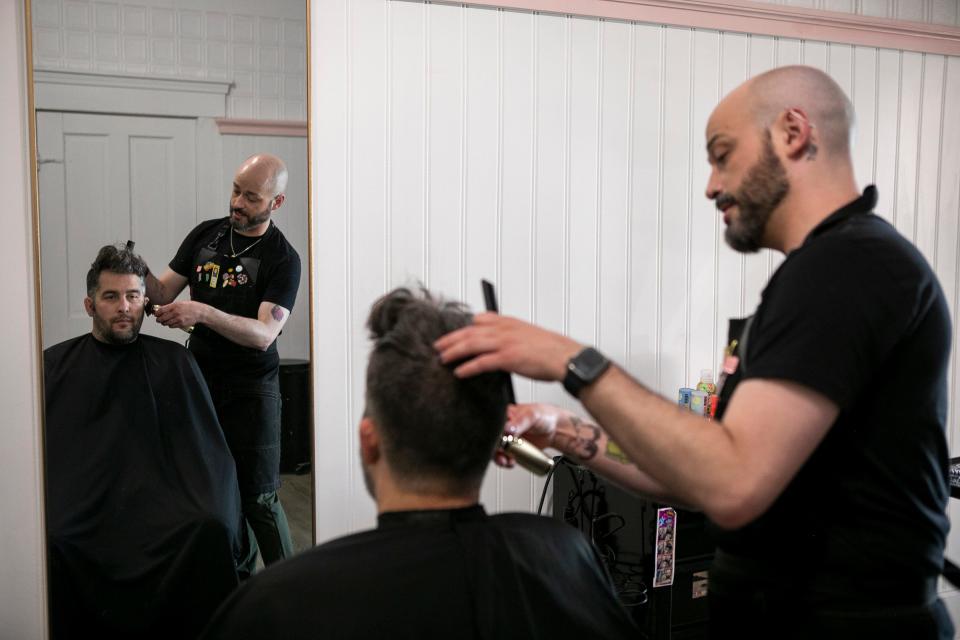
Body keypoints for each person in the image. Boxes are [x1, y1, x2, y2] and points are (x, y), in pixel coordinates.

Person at [435, 65, 954, 638]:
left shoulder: (847, 267)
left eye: (723, 154)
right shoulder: (822, 273)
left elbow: (730, 486)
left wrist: (573, 362)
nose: (711, 184)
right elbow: (700, 474)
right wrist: (564, 432)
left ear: (792, 132)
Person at [200, 287, 638, 640]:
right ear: (494, 442)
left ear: (369, 441)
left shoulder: (276, 603)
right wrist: (563, 428)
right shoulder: (565, 558)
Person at [44, 244, 244, 639]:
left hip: (165, 498)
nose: (124, 307)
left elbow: (208, 456)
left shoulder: (176, 361)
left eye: (133, 296)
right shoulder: (54, 366)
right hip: (87, 503)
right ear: (89, 305)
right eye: (111, 296)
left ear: (145, 301)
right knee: (56, 539)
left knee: (210, 526)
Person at [145, 153, 301, 572]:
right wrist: (134, 269)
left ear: (276, 203)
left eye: (251, 197)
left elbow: (265, 333)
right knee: (216, 489)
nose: (237, 203)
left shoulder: (283, 259)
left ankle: (291, 591)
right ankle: (241, 586)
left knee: (260, 498)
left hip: (253, 389)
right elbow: (161, 293)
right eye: (236, 190)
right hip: (200, 380)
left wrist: (201, 313)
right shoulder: (205, 236)